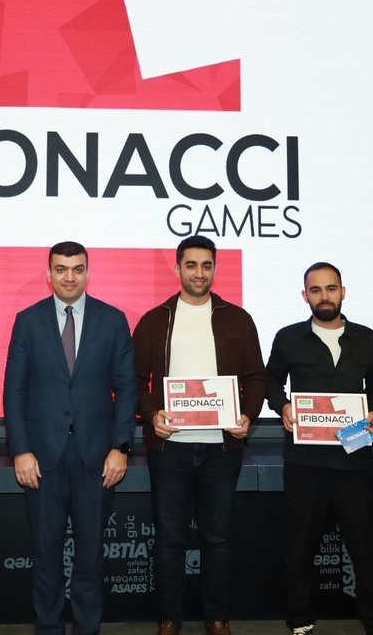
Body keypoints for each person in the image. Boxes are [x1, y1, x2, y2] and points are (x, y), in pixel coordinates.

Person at [133, 235, 267, 635]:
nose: (199, 273)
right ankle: (169, 618)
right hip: (169, 449)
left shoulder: (237, 319)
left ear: (215, 269)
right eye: (191, 265)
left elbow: (256, 377)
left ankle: (217, 618)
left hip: (221, 449)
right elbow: (133, 380)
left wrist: (248, 414)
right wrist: (151, 414)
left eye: (206, 265)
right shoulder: (154, 319)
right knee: (169, 539)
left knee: (218, 538)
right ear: (177, 269)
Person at [3, 241, 137, 635]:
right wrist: (21, 450)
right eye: (61, 269)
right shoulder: (27, 320)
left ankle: (86, 629)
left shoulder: (113, 320)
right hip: (42, 459)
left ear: (87, 273)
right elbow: (14, 390)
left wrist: (121, 447)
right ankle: (48, 628)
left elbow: (126, 388)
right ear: (49, 274)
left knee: (90, 557)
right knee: (46, 555)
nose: (69, 277)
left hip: (98, 459)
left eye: (77, 269)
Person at [266, 262, 373, 635]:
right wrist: (282, 406)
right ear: (305, 295)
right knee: (300, 547)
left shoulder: (366, 338)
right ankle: (299, 620)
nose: (324, 296)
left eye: (331, 288)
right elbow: (271, 381)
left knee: (365, 548)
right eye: (316, 290)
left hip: (356, 459)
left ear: (343, 292)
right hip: (304, 462)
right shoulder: (288, 337)